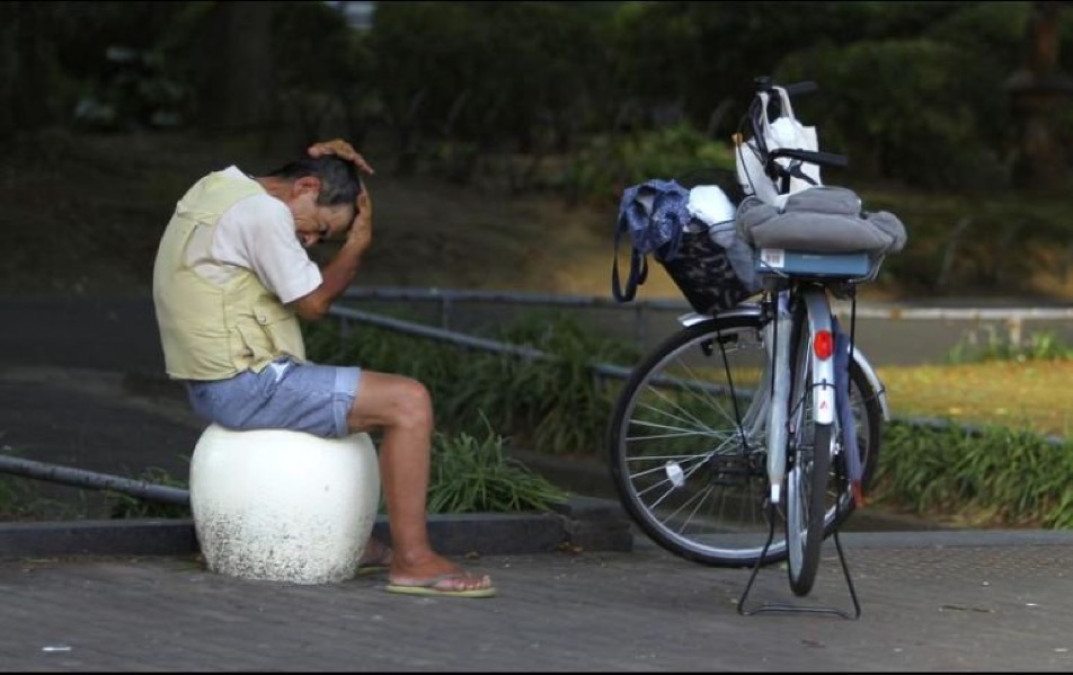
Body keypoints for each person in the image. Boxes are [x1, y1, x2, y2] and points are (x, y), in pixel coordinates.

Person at [151, 138, 495, 599]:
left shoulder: (215, 187)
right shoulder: (266, 213)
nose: (311, 241)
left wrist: (330, 156)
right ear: (306, 187)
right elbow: (314, 302)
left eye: (323, 239)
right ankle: (413, 561)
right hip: (246, 385)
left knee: (362, 397)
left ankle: (355, 542)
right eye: (321, 228)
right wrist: (357, 245)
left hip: (213, 382)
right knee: (408, 401)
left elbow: (305, 183)